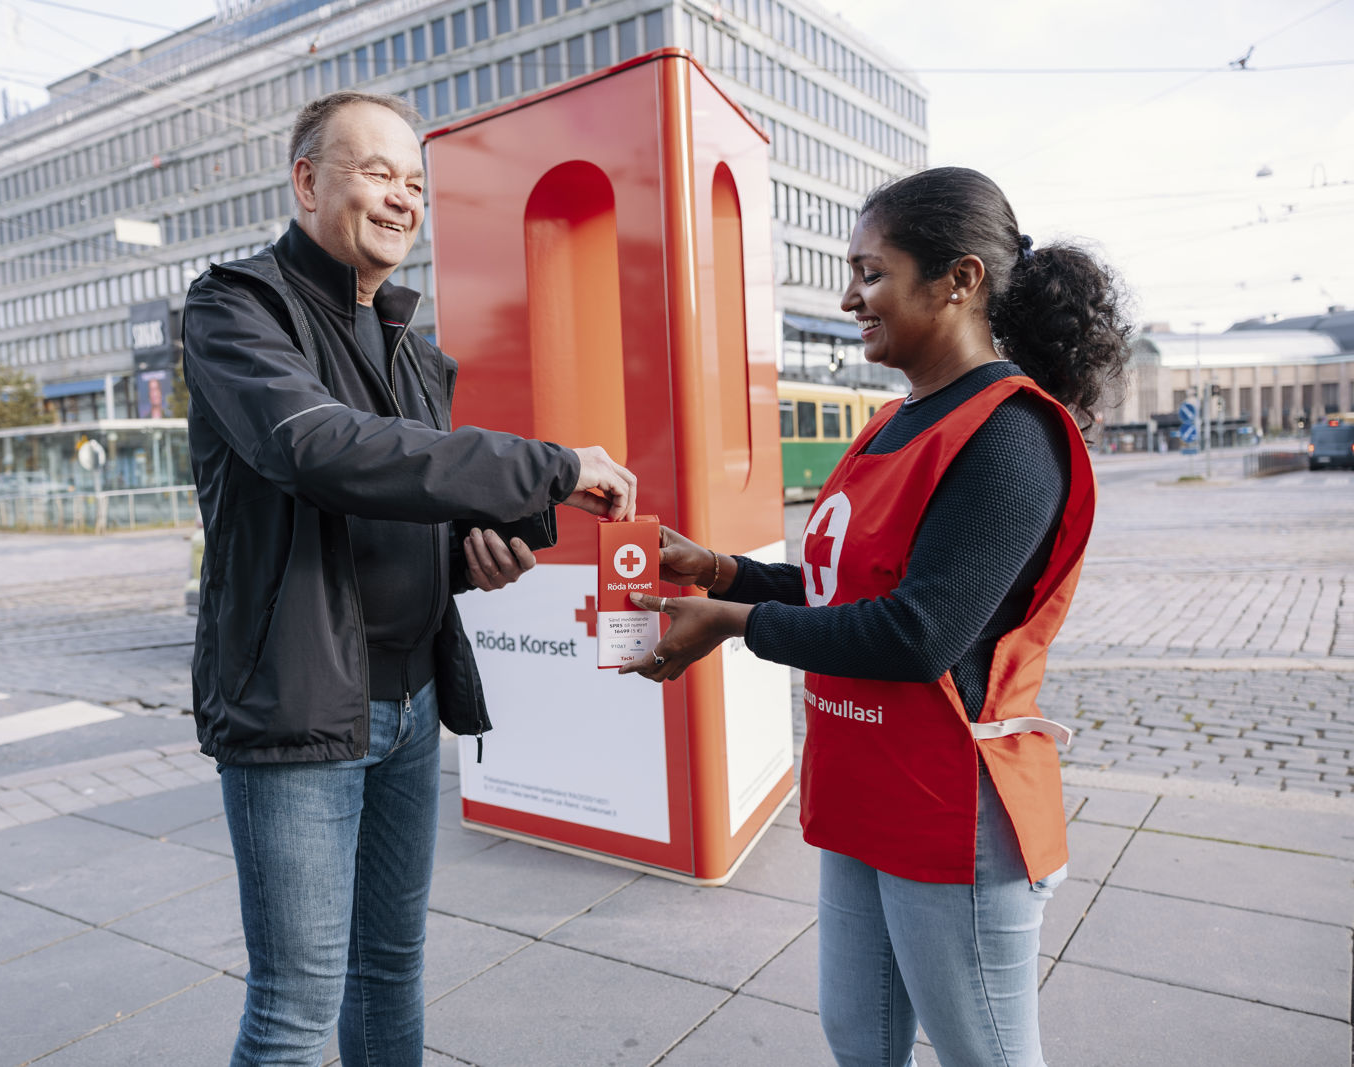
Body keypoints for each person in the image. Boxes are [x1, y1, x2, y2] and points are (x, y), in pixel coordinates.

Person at [621, 166, 1132, 1067]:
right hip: (866, 787)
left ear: (959, 280)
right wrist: (725, 570)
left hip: (951, 809)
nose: (849, 298)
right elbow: (844, 589)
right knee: (860, 1035)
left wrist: (733, 621)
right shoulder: (891, 423)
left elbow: (917, 634)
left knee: (986, 1054)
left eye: (871, 272)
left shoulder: (1011, 435)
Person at [181, 90, 638, 1067]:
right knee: (295, 1009)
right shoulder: (235, 307)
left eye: (416, 184)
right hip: (299, 708)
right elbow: (318, 449)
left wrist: (477, 549)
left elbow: (405, 496)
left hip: (409, 699)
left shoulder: (414, 350)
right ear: (307, 181)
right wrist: (550, 464)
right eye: (377, 172)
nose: (402, 198)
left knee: (390, 969)